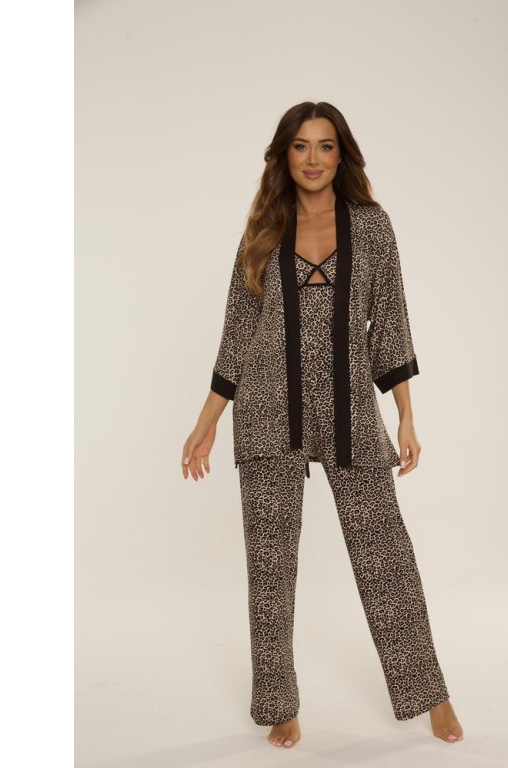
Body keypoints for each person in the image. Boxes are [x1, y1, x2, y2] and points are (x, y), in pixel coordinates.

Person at [181, 101, 464, 749]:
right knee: (270, 568)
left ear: (343, 154)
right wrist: (207, 422)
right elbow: (238, 331)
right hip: (266, 412)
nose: (313, 159)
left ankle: (430, 692)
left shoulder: (372, 226)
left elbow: (390, 321)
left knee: (386, 555)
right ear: (285, 155)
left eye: (326, 146)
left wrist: (406, 416)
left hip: (351, 413)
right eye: (301, 146)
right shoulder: (264, 228)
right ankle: (280, 703)